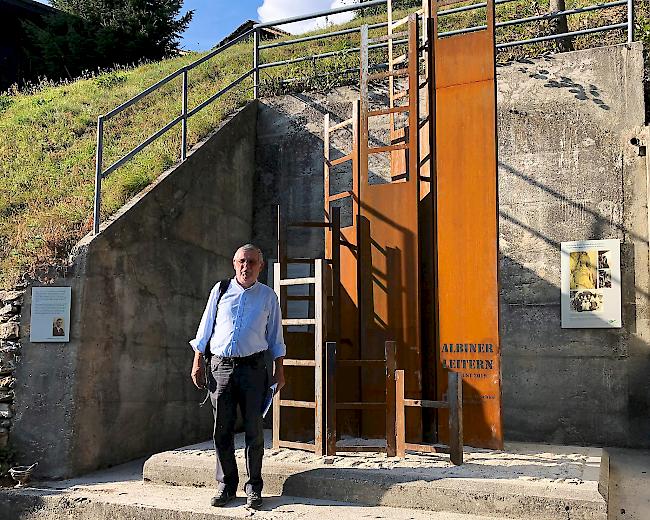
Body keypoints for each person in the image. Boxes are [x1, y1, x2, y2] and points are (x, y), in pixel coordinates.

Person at [189, 244, 285, 510]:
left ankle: (254, 486)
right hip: (220, 368)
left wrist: (280, 369)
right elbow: (205, 329)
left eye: (252, 262)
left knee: (254, 431)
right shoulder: (220, 291)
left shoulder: (268, 297)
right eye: (242, 261)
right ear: (234, 263)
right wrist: (198, 362)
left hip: (254, 370)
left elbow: (276, 336)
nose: (247, 266)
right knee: (222, 429)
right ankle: (226, 485)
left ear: (260, 266)